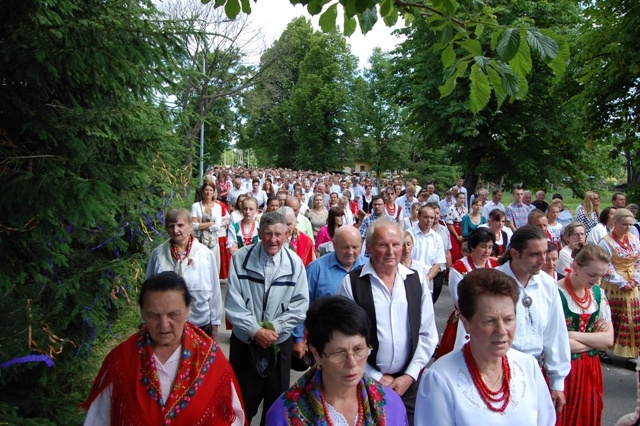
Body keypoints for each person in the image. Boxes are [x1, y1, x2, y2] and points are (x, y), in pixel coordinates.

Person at [82, 272, 245, 425]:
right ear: (142, 312)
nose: (164, 325)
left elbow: (232, 419)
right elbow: (98, 419)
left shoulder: (211, 359)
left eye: (173, 314)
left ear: (188, 309)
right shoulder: (122, 361)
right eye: (153, 316)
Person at [415, 269, 556, 425]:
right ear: (466, 323)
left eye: (509, 319)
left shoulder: (528, 366)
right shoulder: (441, 377)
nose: (501, 330)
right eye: (489, 321)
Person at [337, 217, 439, 425]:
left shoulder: (417, 281)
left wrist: (409, 376)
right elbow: (342, 339)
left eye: (396, 245)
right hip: (364, 382)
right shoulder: (353, 283)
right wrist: (375, 376)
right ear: (370, 248)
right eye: (383, 245)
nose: (391, 251)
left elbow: (427, 334)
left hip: (408, 384)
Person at [224, 212, 310, 426]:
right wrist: (255, 330)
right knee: (242, 401)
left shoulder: (295, 263)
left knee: (276, 403)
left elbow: (300, 306)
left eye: (278, 234)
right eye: (268, 234)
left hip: (278, 344)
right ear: (260, 233)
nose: (273, 239)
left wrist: (274, 328)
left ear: (287, 234)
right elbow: (233, 303)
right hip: (245, 343)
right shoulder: (240, 259)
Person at [266, 296, 408, 425]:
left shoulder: (390, 405)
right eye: (339, 353)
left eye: (358, 350)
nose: (352, 363)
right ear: (316, 354)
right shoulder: (284, 415)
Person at [497, 225, 571, 412]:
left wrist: (557, 381)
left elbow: (555, 332)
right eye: (535, 254)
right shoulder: (493, 282)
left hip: (534, 371)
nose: (543, 260)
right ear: (515, 253)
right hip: (497, 370)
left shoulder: (547, 284)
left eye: (545, 253)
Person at [556, 243, 614, 426]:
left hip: (591, 367)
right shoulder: (555, 293)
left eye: (601, 276)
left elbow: (608, 340)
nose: (597, 281)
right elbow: (558, 343)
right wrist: (594, 341)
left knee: (589, 414)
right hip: (562, 369)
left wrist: (573, 335)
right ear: (575, 267)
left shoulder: (598, 294)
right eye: (592, 274)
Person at [146, 208, 222, 340]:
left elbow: (215, 291)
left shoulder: (205, 254)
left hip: (199, 322)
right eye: (171, 226)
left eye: (180, 225)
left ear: (190, 227)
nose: (176, 230)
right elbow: (148, 291)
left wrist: (215, 324)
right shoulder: (158, 255)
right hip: (166, 327)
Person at [437, 228, 498, 359]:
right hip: (466, 321)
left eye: (490, 247)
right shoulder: (459, 268)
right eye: (483, 246)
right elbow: (459, 301)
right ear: (472, 247)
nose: (487, 251)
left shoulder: (495, 266)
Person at [598, 208, 640, 362]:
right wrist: (621, 282)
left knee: (632, 317)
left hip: (631, 282)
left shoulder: (634, 239)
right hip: (614, 283)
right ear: (615, 223)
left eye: (630, 224)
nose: (628, 227)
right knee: (610, 315)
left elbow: (638, 261)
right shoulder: (606, 241)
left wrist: (635, 279)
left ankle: (630, 352)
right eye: (625, 224)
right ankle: (601, 347)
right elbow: (605, 265)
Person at [408, 205, 446, 302]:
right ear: (418, 217)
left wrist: (426, 279)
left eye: (432, 217)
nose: (429, 220)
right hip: (409, 278)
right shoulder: (408, 235)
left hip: (427, 280)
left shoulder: (437, 238)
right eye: (426, 217)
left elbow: (437, 263)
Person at [191, 180, 223, 277]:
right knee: (198, 265)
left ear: (213, 192)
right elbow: (193, 225)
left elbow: (217, 226)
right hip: (198, 240)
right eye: (206, 190)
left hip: (212, 241)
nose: (208, 192)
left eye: (210, 190)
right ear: (202, 191)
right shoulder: (196, 206)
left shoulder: (217, 207)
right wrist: (210, 223)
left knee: (212, 267)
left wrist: (201, 225)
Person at [447, 192, 468, 262]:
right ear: (456, 199)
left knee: (462, 250)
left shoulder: (465, 210)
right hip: (453, 231)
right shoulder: (451, 208)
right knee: (455, 251)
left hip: (462, 230)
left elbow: (466, 222)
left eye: (464, 198)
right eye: (460, 198)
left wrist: (462, 235)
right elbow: (449, 223)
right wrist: (456, 235)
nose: (462, 200)